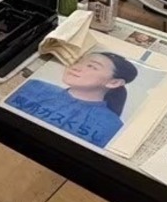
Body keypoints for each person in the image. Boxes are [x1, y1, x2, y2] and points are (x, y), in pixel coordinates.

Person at [9, 51, 138, 148]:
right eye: (78, 61)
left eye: (91, 66)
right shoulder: (34, 86)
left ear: (114, 82)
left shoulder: (112, 125)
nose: (76, 67)